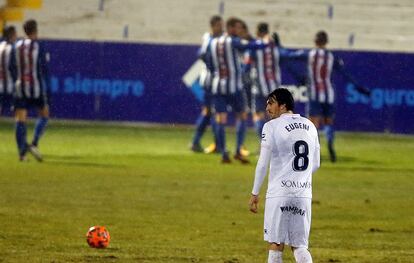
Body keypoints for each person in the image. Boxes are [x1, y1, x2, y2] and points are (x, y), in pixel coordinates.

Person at [249, 88, 320, 263]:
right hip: (303, 194)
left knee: (276, 243)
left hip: (279, 194)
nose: (267, 108)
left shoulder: (271, 126)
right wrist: (297, 178)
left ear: (283, 105)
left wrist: (255, 193)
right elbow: (316, 163)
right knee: (300, 246)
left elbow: (263, 163)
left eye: (271, 103)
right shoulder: (310, 126)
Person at [287, 31, 369, 162]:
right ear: (326, 42)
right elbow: (346, 75)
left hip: (314, 92)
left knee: (313, 124)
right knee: (328, 122)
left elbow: (288, 57)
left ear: (314, 41)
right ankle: (330, 143)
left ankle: (314, 151)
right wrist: (360, 88)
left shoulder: (308, 54)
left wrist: (298, 77)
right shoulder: (332, 57)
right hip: (328, 94)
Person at [208, 17, 266, 163]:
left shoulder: (213, 42)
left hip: (217, 86)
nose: (240, 31)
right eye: (238, 28)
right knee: (242, 116)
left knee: (220, 118)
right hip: (234, 87)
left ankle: (224, 153)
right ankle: (238, 150)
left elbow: (208, 61)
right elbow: (253, 47)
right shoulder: (233, 41)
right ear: (231, 28)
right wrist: (264, 42)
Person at [12, 19, 50, 161]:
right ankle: (34, 143)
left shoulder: (17, 45)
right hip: (36, 87)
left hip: (20, 86)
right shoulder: (39, 46)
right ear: (36, 30)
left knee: (20, 119)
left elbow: (12, 66)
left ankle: (22, 154)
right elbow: (44, 68)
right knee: (44, 114)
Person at [190, 15, 223, 153]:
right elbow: (201, 54)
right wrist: (213, 66)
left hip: (213, 80)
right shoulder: (209, 38)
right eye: (220, 25)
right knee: (214, 112)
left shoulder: (216, 39)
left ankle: (197, 142)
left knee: (208, 112)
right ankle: (218, 145)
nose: (222, 27)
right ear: (214, 26)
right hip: (210, 81)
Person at [0, 26, 17, 115]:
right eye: (15, 34)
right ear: (11, 35)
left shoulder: (0, 46)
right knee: (19, 110)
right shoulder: (13, 49)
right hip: (10, 85)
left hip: (0, 84)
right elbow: (13, 68)